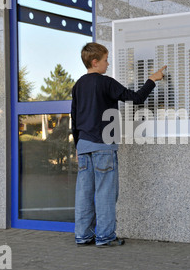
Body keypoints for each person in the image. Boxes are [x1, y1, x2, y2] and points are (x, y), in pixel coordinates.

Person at [71, 42, 166, 247]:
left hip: (84, 146)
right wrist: (152, 79)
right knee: (105, 192)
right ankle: (105, 236)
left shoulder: (78, 85)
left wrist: (78, 146)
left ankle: (83, 235)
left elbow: (74, 119)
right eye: (106, 60)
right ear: (95, 62)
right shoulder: (106, 82)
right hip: (104, 146)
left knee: (84, 193)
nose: (108, 63)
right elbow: (136, 98)